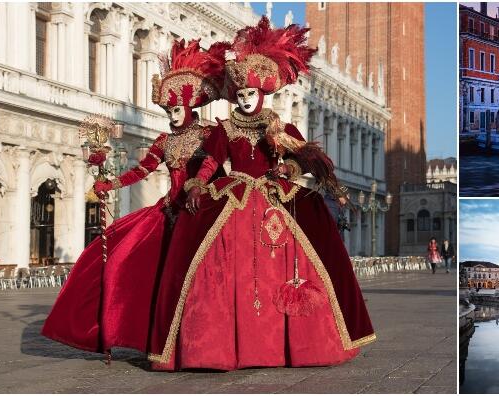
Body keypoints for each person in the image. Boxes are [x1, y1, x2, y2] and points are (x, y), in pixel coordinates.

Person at [156, 17, 374, 371]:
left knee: (303, 250)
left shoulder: (280, 127)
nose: (244, 100)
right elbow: (212, 162)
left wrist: (287, 169)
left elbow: (302, 160)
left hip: (275, 196)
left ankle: (297, 344)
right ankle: (216, 347)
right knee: (211, 258)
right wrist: (197, 184)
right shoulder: (224, 128)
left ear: (262, 94)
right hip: (235, 195)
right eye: (240, 95)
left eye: (250, 94)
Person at [41, 40, 231, 361]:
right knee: (118, 260)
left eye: (175, 110)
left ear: (188, 107)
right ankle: (134, 334)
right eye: (168, 112)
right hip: (168, 212)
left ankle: (201, 341)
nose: (172, 118)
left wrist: (199, 184)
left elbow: (214, 163)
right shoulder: (163, 140)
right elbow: (142, 170)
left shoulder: (208, 135)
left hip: (200, 212)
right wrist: (110, 182)